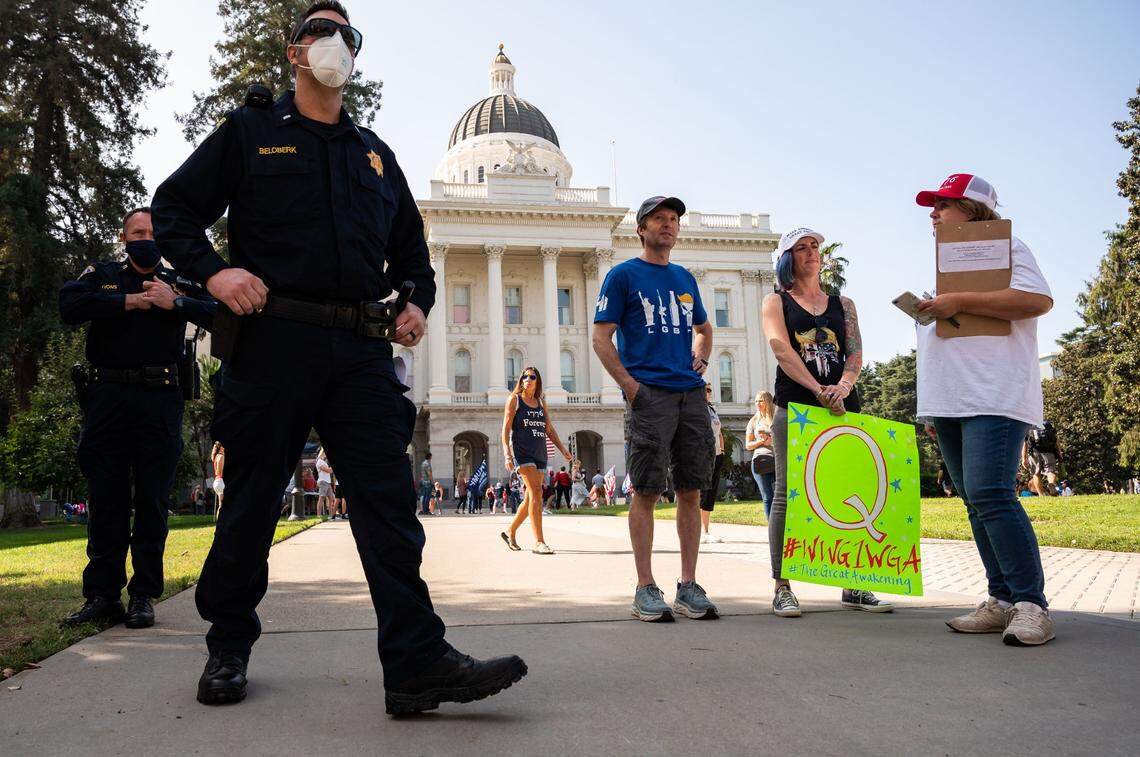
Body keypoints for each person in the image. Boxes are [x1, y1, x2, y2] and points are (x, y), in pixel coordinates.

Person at [151, 1, 525, 711]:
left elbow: (414, 256)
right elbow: (173, 209)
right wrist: (214, 272)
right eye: (321, 31)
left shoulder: (374, 155)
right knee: (253, 505)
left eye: (347, 35)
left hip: (358, 350)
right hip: (273, 341)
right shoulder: (249, 132)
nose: (335, 43)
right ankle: (228, 643)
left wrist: (415, 302)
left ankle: (414, 663)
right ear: (295, 52)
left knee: (389, 508)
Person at [58, 207, 215, 631]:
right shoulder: (104, 274)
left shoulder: (178, 279)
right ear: (124, 238)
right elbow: (69, 304)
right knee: (106, 497)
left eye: (152, 231)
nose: (146, 237)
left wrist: (175, 301)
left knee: (152, 500)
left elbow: (220, 313)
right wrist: (126, 301)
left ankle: (143, 595)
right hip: (107, 397)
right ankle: (102, 595)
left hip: (159, 399)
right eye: (137, 232)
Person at [914, 173, 1055, 646]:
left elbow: (1036, 300)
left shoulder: (1008, 248)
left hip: (993, 395)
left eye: (943, 205)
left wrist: (958, 300)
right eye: (932, 207)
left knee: (991, 493)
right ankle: (1001, 599)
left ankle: (1032, 605)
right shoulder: (947, 265)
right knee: (974, 500)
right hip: (951, 398)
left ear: (974, 211)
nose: (933, 214)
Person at [592, 195, 718, 622]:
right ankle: (645, 586)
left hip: (690, 395)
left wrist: (698, 363)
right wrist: (630, 387)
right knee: (645, 490)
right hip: (651, 396)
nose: (668, 225)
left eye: (673, 219)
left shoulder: (684, 278)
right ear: (641, 230)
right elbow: (600, 338)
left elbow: (704, 328)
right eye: (658, 219)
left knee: (690, 489)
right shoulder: (623, 275)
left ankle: (688, 584)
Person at [761, 226, 893, 618]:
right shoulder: (776, 301)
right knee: (786, 493)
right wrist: (817, 388)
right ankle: (782, 585)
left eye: (815, 246)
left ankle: (854, 583)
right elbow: (780, 348)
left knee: (849, 491)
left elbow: (855, 351)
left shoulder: (843, 304)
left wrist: (843, 385)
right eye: (801, 248)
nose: (811, 253)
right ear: (788, 258)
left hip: (843, 405)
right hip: (796, 406)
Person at [499, 367, 572, 555]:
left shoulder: (540, 401)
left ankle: (510, 531)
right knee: (536, 492)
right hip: (523, 454)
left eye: (532, 377)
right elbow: (506, 430)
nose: (528, 379)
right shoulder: (514, 400)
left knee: (532, 496)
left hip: (540, 453)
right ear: (521, 380)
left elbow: (549, 429)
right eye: (524, 377)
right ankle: (539, 542)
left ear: (537, 380)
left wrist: (563, 449)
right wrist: (507, 454)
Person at [699, 383, 725, 544]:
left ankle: (706, 530)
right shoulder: (697, 409)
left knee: (710, 493)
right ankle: (698, 531)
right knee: (702, 492)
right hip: (703, 455)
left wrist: (722, 450)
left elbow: (719, 432)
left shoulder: (712, 410)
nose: (708, 392)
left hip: (716, 455)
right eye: (705, 390)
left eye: (709, 390)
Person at [745, 391, 776, 518]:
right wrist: (761, 442)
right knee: (768, 496)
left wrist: (771, 442)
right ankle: (771, 528)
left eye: (761, 401)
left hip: (777, 460)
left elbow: (786, 439)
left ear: (768, 402)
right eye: (756, 401)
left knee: (781, 495)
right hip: (759, 462)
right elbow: (748, 445)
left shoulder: (776, 419)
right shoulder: (753, 421)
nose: (758, 403)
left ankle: (783, 526)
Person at [1022, 421, 1061, 497]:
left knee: (1036, 474)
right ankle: (1051, 484)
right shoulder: (1047, 424)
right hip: (1049, 452)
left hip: (1034, 453)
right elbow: (1056, 440)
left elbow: (1025, 444)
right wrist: (1059, 453)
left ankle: (1041, 494)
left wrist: (1024, 458)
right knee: (1051, 471)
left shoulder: (1029, 425)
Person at [316, 447, 336, 518]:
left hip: (327, 482)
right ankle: (318, 515)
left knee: (331, 498)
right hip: (323, 481)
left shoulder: (324, 461)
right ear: (322, 453)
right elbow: (328, 470)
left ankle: (331, 515)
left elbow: (329, 471)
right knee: (321, 498)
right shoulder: (319, 462)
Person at [211, 442, 226, 518]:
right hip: (220, 481)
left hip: (217, 482)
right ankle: (220, 522)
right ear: (221, 447)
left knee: (221, 504)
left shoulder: (216, 456)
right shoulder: (221, 456)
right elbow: (219, 471)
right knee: (222, 505)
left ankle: (219, 522)